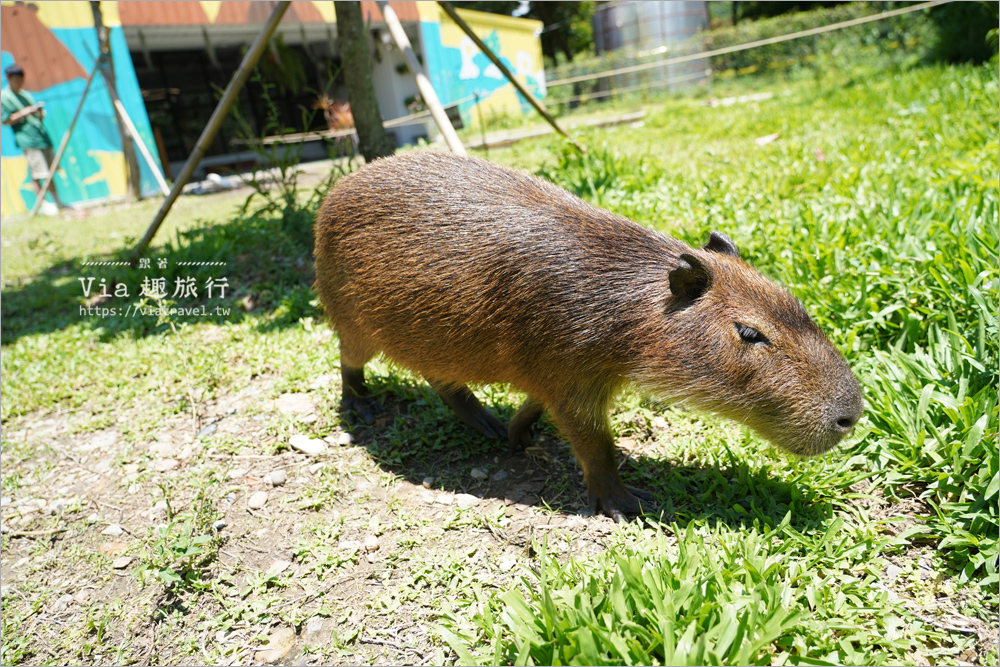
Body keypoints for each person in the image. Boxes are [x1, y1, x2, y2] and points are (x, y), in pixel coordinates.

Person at [1, 63, 67, 215]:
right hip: (27, 139)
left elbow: (34, 115)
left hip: (41, 136)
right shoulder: (4, 97)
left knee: (48, 172)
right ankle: (43, 204)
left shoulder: (25, 94)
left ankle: (57, 202)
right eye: (16, 79)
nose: (19, 82)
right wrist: (26, 112)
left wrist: (38, 113)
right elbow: (5, 121)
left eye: (21, 79)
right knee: (38, 173)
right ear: (8, 79)